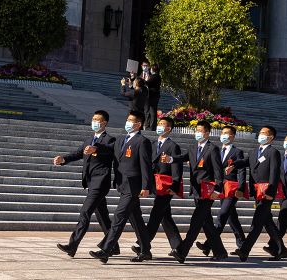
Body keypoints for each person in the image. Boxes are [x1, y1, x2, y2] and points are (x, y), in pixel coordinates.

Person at [90, 111, 153, 263]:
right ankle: (145, 251)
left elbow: (146, 166)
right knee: (136, 219)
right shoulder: (120, 139)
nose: (128, 123)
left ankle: (106, 250)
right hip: (122, 184)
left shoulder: (142, 141)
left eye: (132, 121)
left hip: (133, 186)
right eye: (128, 120)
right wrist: (96, 149)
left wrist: (146, 186)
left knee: (119, 216)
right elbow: (110, 151)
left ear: (138, 124)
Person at [54, 110, 119, 258]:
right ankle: (113, 246)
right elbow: (77, 154)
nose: (94, 121)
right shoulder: (88, 139)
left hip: (100, 183)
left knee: (85, 212)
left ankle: (72, 245)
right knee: (103, 217)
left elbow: (109, 150)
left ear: (104, 123)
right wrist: (63, 159)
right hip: (91, 182)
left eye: (98, 119)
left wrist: (96, 149)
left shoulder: (109, 139)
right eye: (93, 118)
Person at [166, 120, 226, 263]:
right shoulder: (193, 147)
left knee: (196, 221)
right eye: (196, 130)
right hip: (196, 190)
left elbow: (218, 171)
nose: (197, 133)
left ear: (207, 133)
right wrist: (171, 159)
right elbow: (183, 158)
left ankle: (182, 251)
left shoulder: (213, 149)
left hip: (207, 191)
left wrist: (217, 189)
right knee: (206, 222)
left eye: (200, 130)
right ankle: (220, 251)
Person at [232, 125, 287, 262]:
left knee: (257, 222)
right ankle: (281, 250)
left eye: (265, 133)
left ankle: (244, 250)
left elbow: (275, 173)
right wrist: (233, 164)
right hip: (257, 191)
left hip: (266, 192)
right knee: (267, 222)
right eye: (260, 132)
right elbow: (246, 162)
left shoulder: (273, 152)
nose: (261, 135)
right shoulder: (254, 152)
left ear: (271, 137)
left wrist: (271, 191)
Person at [132, 116, 182, 256]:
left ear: (169, 128)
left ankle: (143, 244)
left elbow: (176, 167)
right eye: (158, 123)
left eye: (163, 124)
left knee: (156, 213)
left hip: (167, 185)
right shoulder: (152, 144)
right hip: (155, 183)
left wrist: (175, 186)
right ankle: (178, 246)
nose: (159, 126)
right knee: (165, 216)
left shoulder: (173, 146)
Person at [197, 125, 246, 254]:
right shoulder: (216, 150)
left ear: (233, 136)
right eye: (222, 133)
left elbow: (241, 170)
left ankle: (209, 245)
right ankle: (243, 245)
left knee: (222, 215)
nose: (224, 135)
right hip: (220, 188)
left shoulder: (237, 152)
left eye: (227, 133)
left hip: (232, 188)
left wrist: (241, 187)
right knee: (231, 217)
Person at [142, 63, 161, 131]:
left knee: (151, 111)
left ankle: (150, 127)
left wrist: (145, 79)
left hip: (151, 96)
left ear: (152, 69)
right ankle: (151, 127)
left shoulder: (154, 76)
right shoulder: (158, 76)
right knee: (152, 111)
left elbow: (146, 83)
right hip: (155, 96)